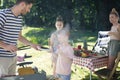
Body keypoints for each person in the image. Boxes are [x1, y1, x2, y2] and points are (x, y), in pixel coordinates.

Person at [0, 0, 40, 77]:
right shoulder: (3, 15)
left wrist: (31, 44)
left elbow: (19, 37)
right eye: (28, 8)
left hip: (13, 58)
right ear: (22, 4)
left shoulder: (19, 18)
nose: (29, 11)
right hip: (2, 59)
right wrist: (6, 46)